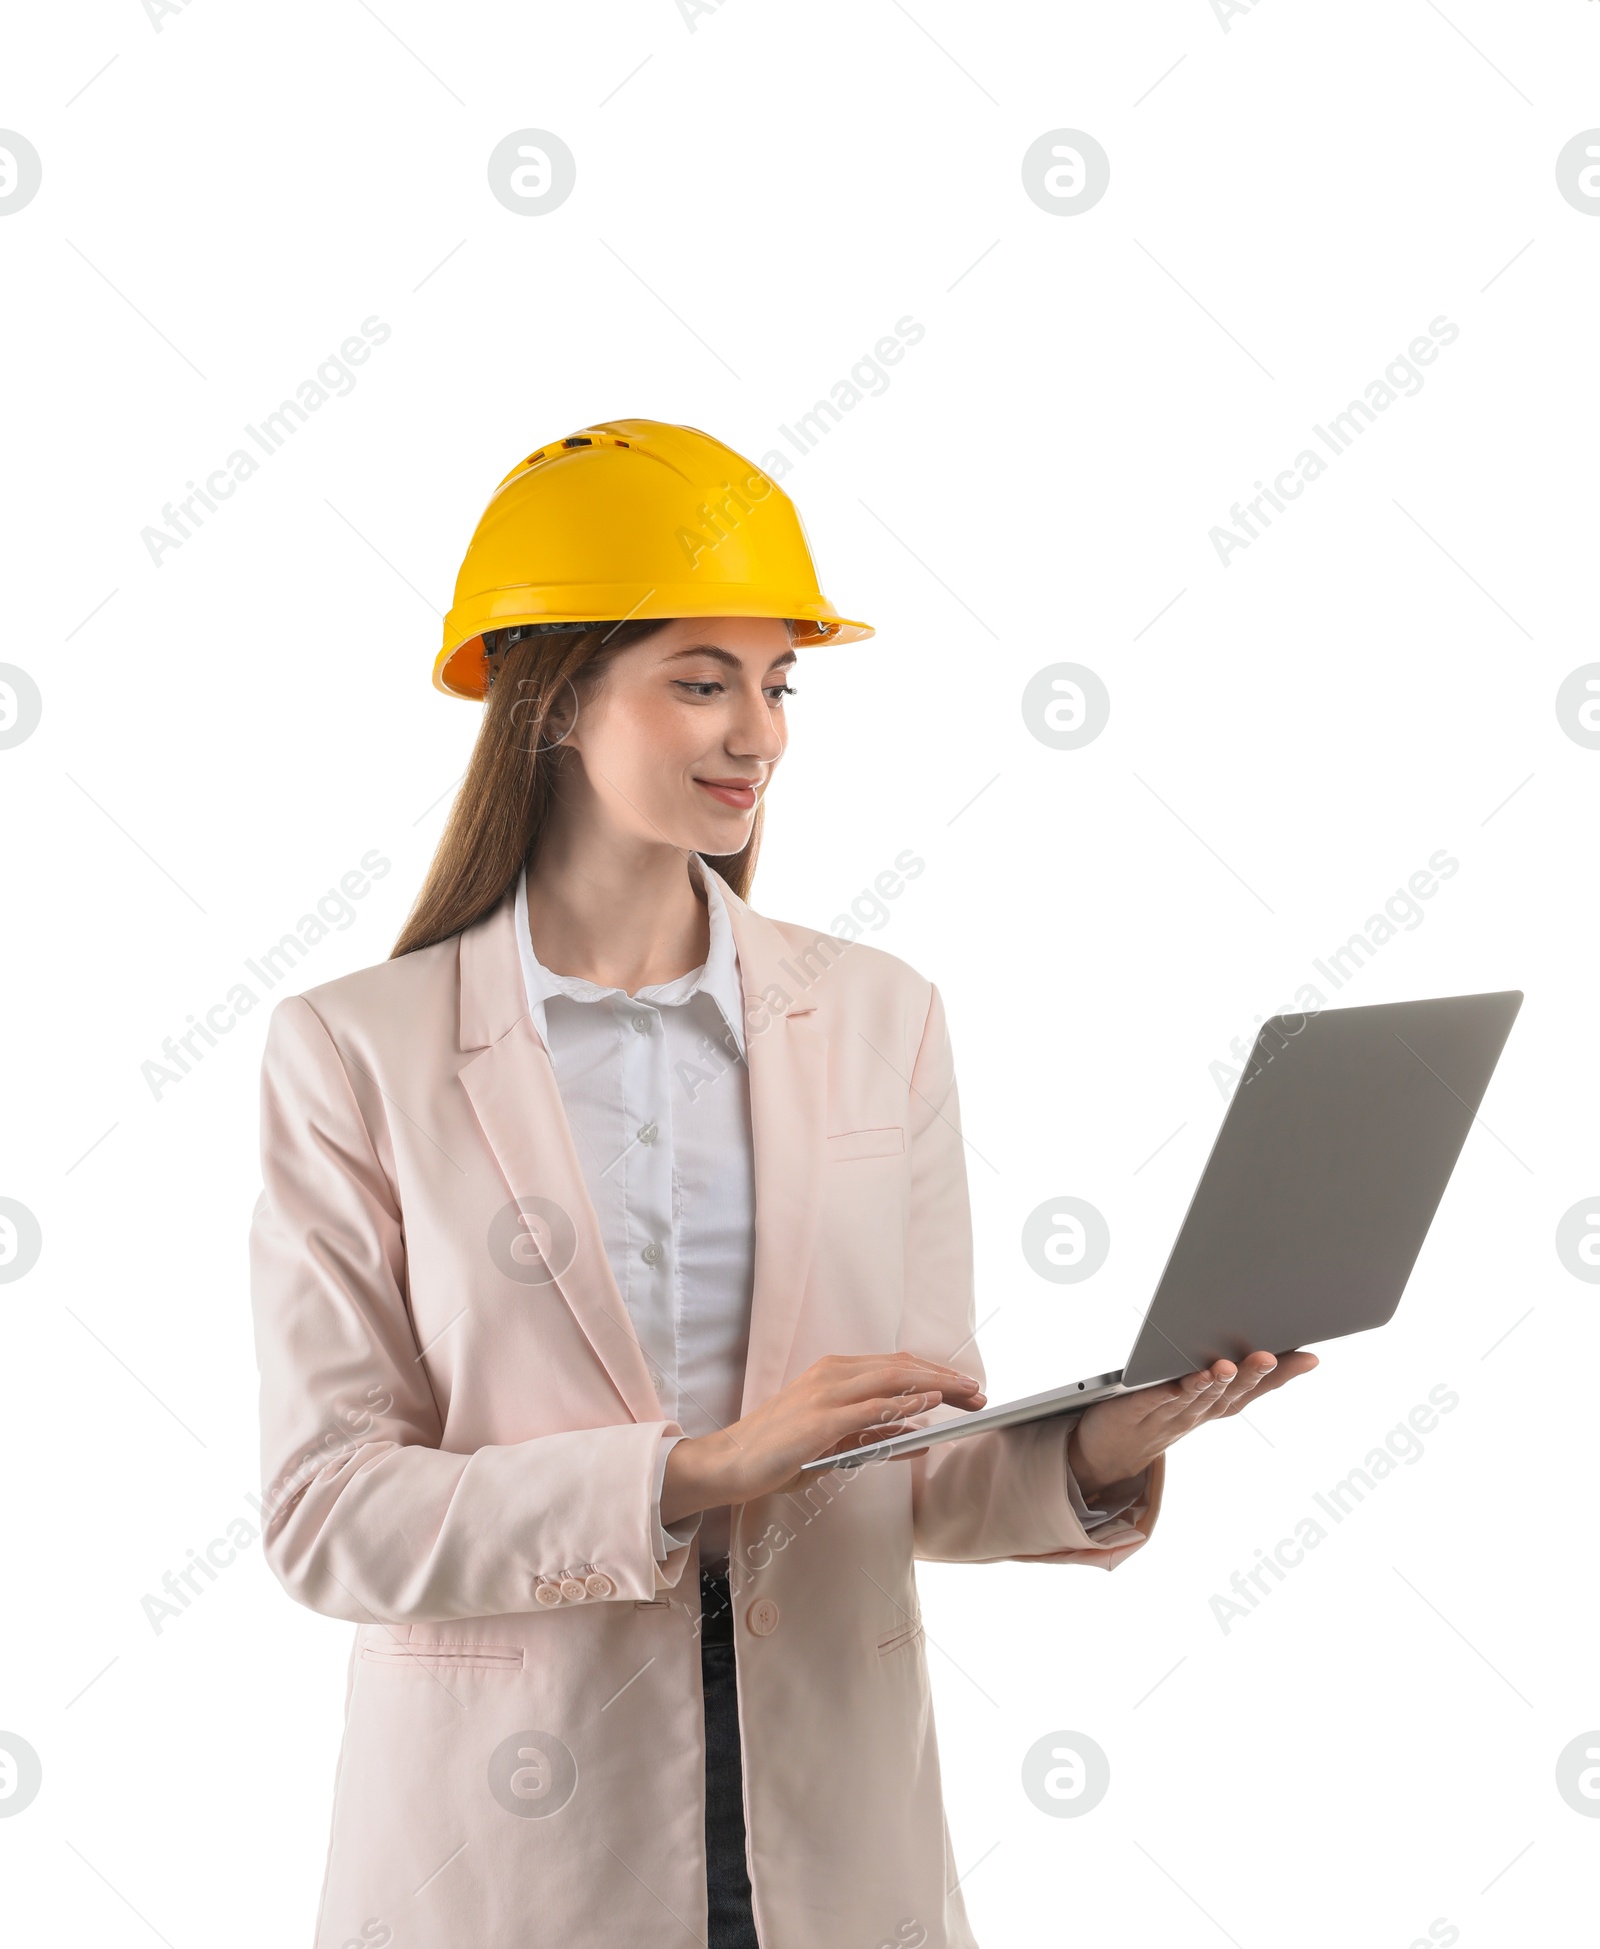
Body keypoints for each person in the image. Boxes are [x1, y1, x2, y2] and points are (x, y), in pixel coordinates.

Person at [248, 420, 1316, 1949]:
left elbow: (914, 1461)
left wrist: (1100, 1442)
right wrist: (693, 1470)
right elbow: (327, 1517)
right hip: (512, 1849)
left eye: (778, 680)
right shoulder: (355, 1049)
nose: (760, 732)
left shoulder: (883, 1016)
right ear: (550, 695)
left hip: (833, 1825)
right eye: (701, 677)